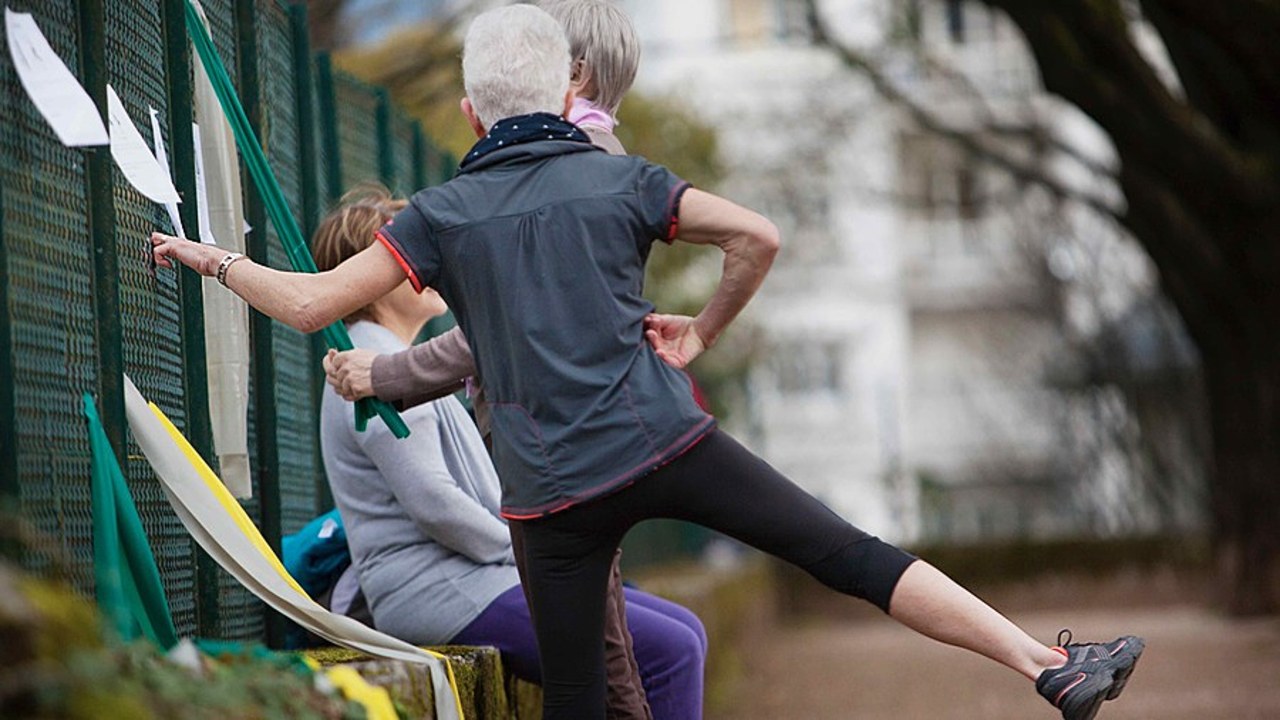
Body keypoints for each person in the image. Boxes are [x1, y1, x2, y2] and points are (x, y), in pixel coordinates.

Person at [148, 6, 1143, 720]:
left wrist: (213, 258)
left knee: (578, 699)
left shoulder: (444, 216)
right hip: (661, 439)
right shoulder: (621, 179)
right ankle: (1040, 666)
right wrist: (699, 329)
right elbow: (755, 235)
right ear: (564, 92)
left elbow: (312, 301)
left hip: (548, 503)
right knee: (848, 556)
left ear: (466, 112)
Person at [321, 3, 699, 717]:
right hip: (434, 589)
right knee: (668, 648)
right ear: (373, 281)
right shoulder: (362, 364)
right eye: (403, 257)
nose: (425, 267)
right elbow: (435, 504)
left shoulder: (401, 356)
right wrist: (533, 550)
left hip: (478, 573)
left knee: (677, 630)